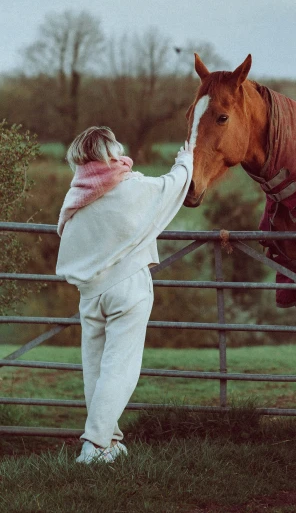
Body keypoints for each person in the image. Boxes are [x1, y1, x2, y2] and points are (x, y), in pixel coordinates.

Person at [56, 126, 193, 464]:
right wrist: (185, 161)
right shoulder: (131, 187)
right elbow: (170, 188)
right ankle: (96, 444)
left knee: (96, 369)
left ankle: (109, 441)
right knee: (120, 367)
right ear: (110, 152)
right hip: (127, 287)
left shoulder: (76, 195)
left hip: (90, 294)